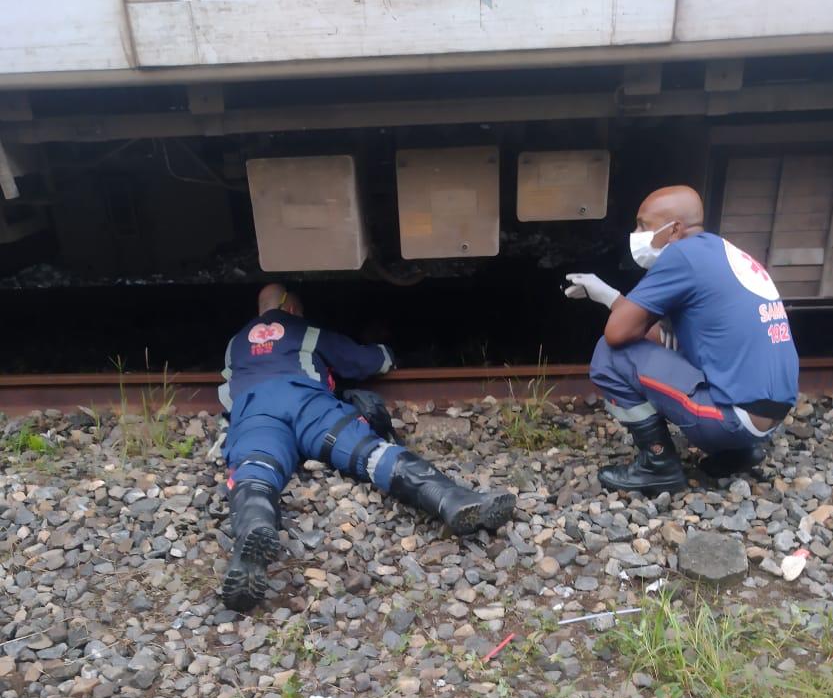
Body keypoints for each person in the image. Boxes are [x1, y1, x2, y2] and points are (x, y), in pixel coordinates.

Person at [219, 284, 516, 611]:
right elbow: (362, 361)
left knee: (256, 470)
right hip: (307, 403)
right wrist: (388, 352)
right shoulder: (304, 330)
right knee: (369, 453)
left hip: (256, 410)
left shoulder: (235, 345)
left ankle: (254, 525)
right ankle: (450, 498)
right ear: (290, 309)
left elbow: (227, 395)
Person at [564, 185, 799, 495]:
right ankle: (737, 451)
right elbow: (662, 338)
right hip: (770, 416)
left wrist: (607, 297)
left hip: (732, 419)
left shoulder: (682, 256)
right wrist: (612, 297)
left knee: (608, 355)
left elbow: (618, 334)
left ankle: (658, 464)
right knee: (666, 348)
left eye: (643, 225)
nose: (637, 234)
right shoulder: (721, 251)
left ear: (674, 229)